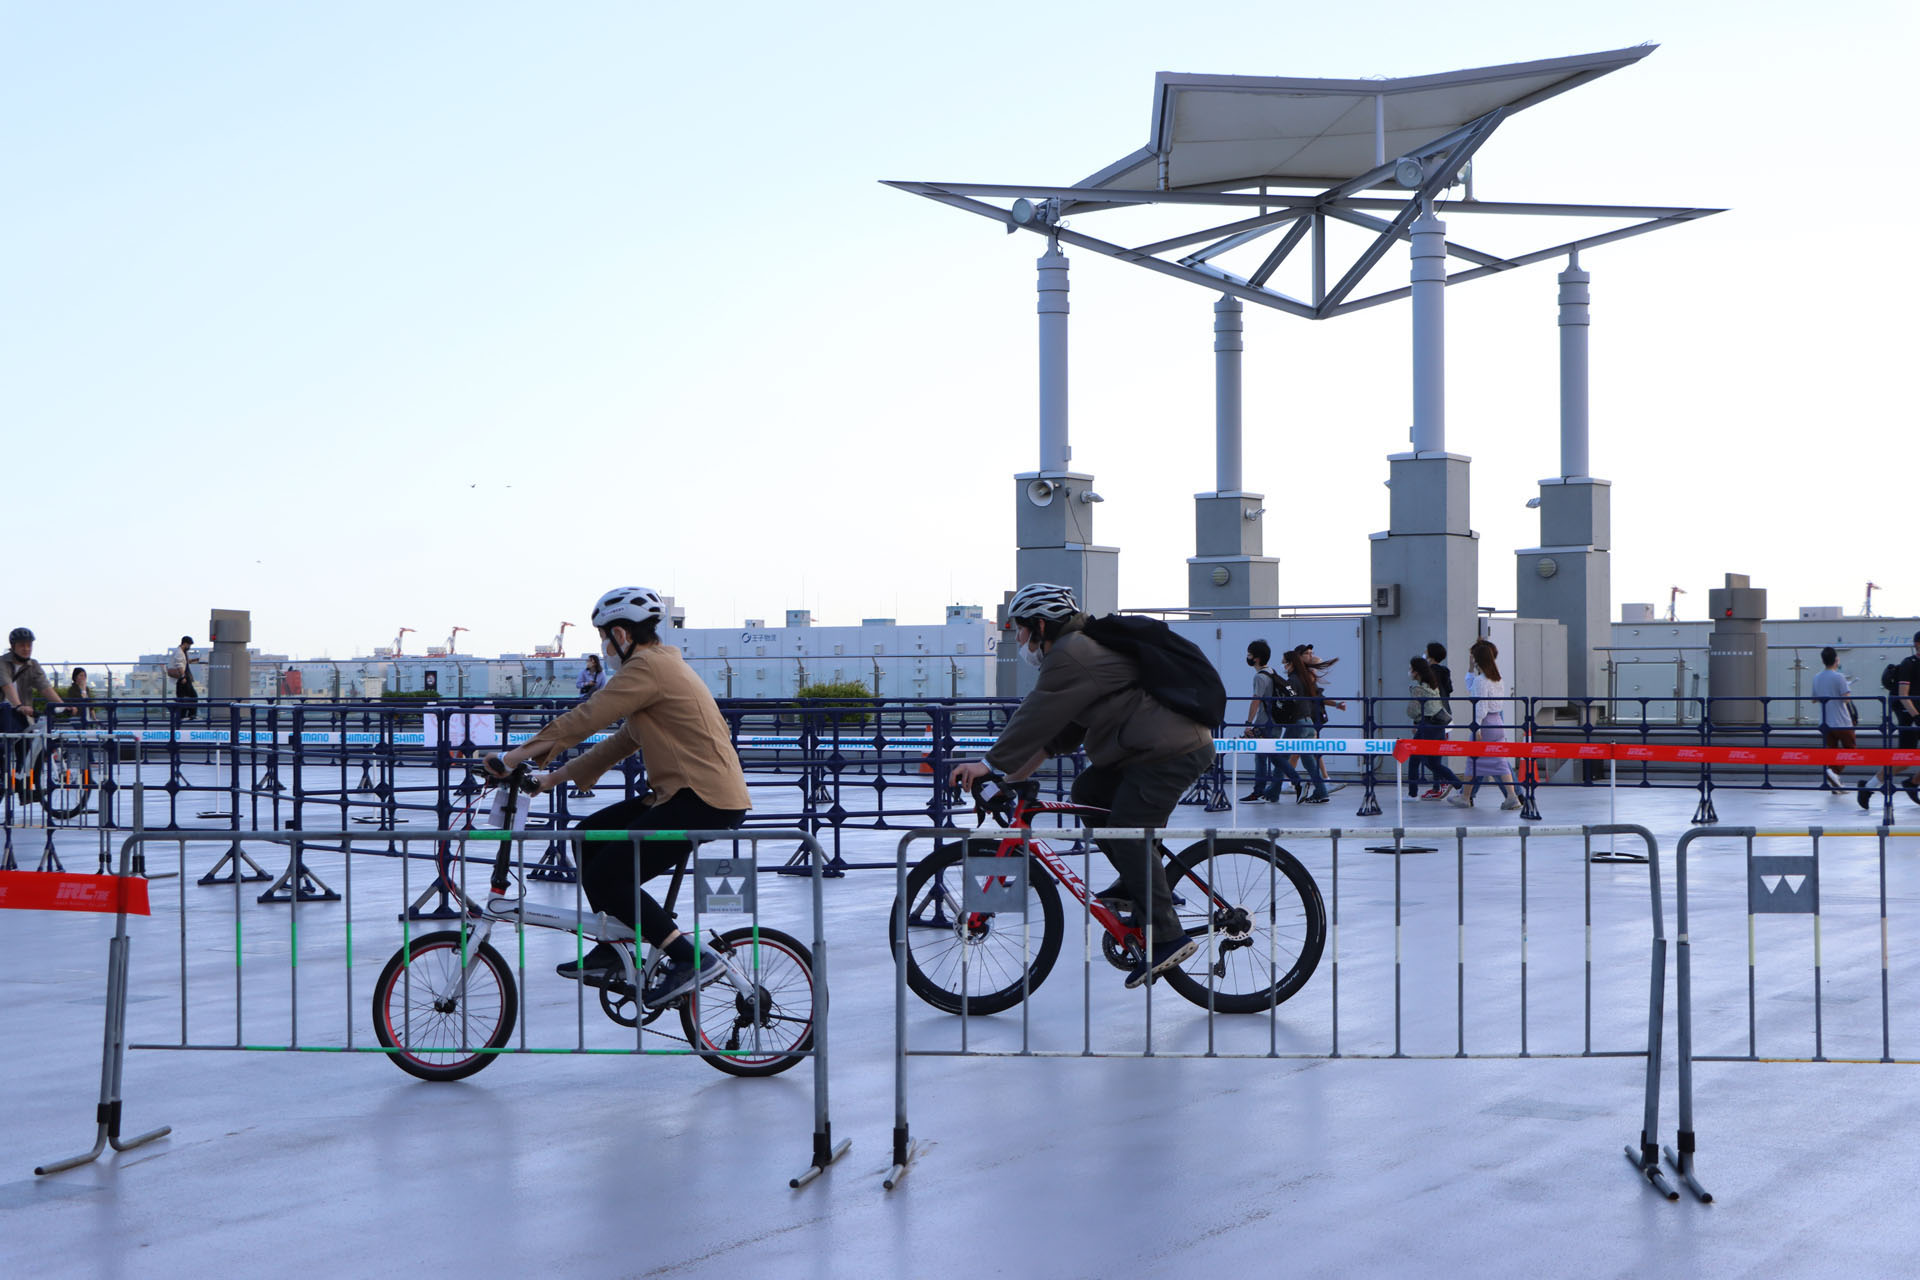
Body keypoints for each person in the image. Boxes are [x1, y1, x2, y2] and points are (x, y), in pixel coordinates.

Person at [486, 586, 750, 1007]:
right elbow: (624, 740)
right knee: (589, 835)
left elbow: (588, 716)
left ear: (622, 635)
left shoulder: (647, 668)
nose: (603, 646)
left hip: (702, 797)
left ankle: (688, 958)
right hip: (683, 794)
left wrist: (513, 755)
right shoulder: (657, 667)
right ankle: (612, 946)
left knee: (609, 875)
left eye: (604, 636)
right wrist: (551, 779)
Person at [948, 583, 1211, 989]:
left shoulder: (1071, 653)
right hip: (1142, 751)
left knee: (1125, 830)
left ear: (1039, 625)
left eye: (1018, 630)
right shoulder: (1080, 654)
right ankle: (1134, 877)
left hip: (1169, 751)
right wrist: (1008, 779)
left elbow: (1034, 715)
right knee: (1088, 794)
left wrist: (988, 765)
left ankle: (1167, 935)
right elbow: (1055, 737)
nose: (1018, 641)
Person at [1449, 638, 1524, 811]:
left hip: (1484, 724)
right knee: (1499, 761)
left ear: (1477, 659)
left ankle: (1465, 797)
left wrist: (1477, 726)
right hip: (1497, 722)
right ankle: (1511, 796)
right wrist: (1470, 670)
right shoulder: (1497, 679)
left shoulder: (1481, 681)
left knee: (1472, 760)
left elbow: (1479, 704)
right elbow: (1473, 689)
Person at [1859, 630, 1920, 811]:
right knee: (1904, 761)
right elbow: (1903, 696)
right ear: (1917, 644)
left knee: (1906, 760)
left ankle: (1912, 782)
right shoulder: (1909, 664)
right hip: (1909, 717)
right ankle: (1868, 787)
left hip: (1916, 716)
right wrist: (1916, 716)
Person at [1240, 640, 1302, 803]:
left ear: (1257, 658)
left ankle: (1259, 791)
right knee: (1274, 756)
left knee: (1263, 757)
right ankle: (1293, 781)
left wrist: (1248, 723)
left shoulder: (1260, 677)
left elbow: (1256, 701)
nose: (1248, 657)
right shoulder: (1272, 671)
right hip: (1276, 721)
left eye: (1249, 654)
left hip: (1265, 722)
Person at [1282, 645, 1345, 804]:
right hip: (1307, 720)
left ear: (1291, 663)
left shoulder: (1296, 679)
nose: (1284, 666)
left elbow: (1290, 698)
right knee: (1306, 755)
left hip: (1300, 720)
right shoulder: (1304, 677)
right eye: (1308, 654)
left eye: (1285, 664)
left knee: (1285, 754)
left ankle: (1289, 784)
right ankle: (1320, 786)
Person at [2, 628, 65, 767]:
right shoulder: (2, 663)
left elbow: (45, 687)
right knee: (4, 748)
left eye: (29, 645)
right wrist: (19, 706)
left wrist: (62, 705)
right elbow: (7, 686)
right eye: (22, 645)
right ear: (13, 647)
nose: (26, 649)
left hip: (22, 714)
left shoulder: (33, 665)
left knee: (30, 751)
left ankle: (28, 784)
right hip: (4, 711)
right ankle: (6, 781)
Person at [1406, 655, 1464, 800]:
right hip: (1439, 726)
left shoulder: (1418, 689)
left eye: (1411, 669)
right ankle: (1457, 784)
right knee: (1434, 762)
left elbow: (1411, 711)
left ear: (1416, 672)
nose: (1409, 672)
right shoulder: (1433, 686)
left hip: (1426, 726)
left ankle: (1412, 793)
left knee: (1415, 759)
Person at [1812, 647, 1854, 793]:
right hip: (1841, 721)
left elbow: (1814, 699)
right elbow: (1846, 700)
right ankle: (1833, 772)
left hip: (1825, 721)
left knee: (1832, 750)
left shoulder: (1817, 677)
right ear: (1836, 659)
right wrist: (1846, 687)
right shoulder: (1839, 677)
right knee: (1851, 749)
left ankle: (1835, 782)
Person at [1420, 641, 1456, 799]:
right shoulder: (1445, 671)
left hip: (1432, 716)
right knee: (1436, 753)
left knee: (1425, 754)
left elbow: (1425, 696)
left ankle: (1444, 782)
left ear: (1430, 654)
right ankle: (1438, 786)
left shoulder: (1427, 673)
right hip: (1446, 715)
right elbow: (1449, 690)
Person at [168, 636, 198, 722]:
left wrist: (193, 661)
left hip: (182, 677)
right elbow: (179, 665)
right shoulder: (179, 653)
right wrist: (183, 676)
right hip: (183, 678)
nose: (190, 647)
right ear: (185, 643)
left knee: (183, 697)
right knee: (193, 696)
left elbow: (183, 662)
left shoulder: (181, 652)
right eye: (189, 645)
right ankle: (191, 715)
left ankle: (183, 716)